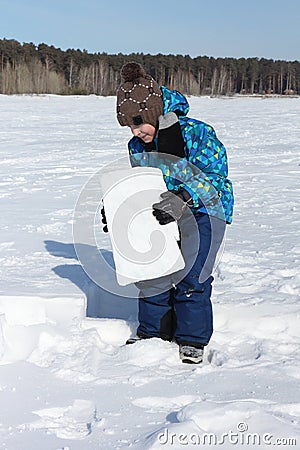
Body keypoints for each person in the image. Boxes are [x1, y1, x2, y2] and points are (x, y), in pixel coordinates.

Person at [104, 62, 234, 364]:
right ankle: (153, 332)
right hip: (163, 210)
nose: (136, 131)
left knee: (193, 274)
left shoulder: (196, 133)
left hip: (206, 210)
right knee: (152, 270)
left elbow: (216, 177)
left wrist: (185, 197)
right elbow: (142, 186)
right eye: (130, 127)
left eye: (138, 123)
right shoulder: (137, 145)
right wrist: (119, 211)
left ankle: (192, 338)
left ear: (152, 112)